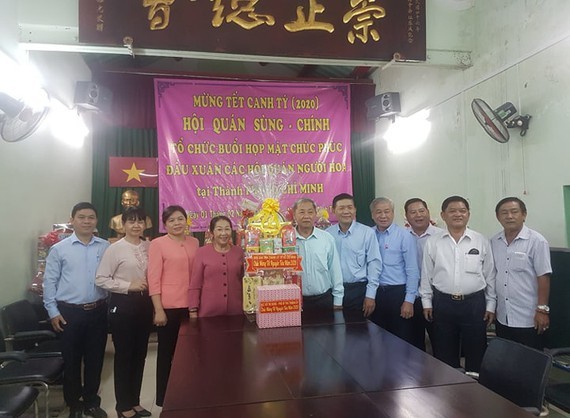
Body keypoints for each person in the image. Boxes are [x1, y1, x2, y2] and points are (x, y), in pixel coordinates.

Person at [43, 202, 110, 418]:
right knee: (71, 361)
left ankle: (91, 402)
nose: (87, 221)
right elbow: (49, 282)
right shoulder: (59, 249)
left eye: (91, 217)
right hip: (68, 312)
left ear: (96, 221)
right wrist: (53, 312)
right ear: (72, 220)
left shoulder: (104, 246)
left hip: (98, 311)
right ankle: (74, 404)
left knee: (95, 359)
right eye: (82, 217)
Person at [420, 195, 496, 372]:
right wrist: (426, 302)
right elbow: (426, 274)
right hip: (443, 303)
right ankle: (449, 392)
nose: (458, 214)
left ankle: (477, 390)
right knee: (444, 349)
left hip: (474, 303)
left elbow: (490, 274)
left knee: (476, 348)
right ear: (443, 215)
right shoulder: (433, 242)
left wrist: (491, 305)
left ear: (468, 214)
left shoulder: (481, 240)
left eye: (462, 211)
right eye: (452, 211)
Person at [95, 207, 153, 418]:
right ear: (124, 224)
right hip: (123, 306)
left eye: (140, 221)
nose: (136, 225)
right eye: (131, 221)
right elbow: (101, 279)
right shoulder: (115, 248)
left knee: (140, 355)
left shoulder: (149, 246)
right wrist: (128, 285)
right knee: (124, 356)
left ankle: (135, 401)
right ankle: (123, 406)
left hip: (145, 306)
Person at [148, 205, 199, 407]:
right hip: (168, 307)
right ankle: (163, 398)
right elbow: (153, 279)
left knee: (191, 353)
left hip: (192, 306)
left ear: (186, 221)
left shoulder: (195, 242)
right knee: (167, 353)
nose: (177, 223)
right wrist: (158, 309)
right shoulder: (157, 244)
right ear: (165, 224)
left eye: (180, 219)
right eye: (172, 220)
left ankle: (188, 391)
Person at [490, 197, 552, 350]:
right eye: (504, 213)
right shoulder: (494, 241)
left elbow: (543, 276)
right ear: (498, 217)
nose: (509, 216)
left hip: (529, 317)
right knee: (506, 361)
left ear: (524, 215)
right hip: (503, 316)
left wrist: (542, 310)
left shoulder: (537, 241)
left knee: (530, 364)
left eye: (514, 212)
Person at [369, 197, 419, 344]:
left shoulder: (404, 236)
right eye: (378, 212)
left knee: (400, 340)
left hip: (398, 294)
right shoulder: (368, 234)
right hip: (375, 294)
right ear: (372, 214)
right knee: (376, 340)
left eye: (387, 211)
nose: (383, 216)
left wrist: (409, 300)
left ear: (393, 213)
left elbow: (412, 270)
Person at [326, 193, 382, 318]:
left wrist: (370, 295)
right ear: (333, 210)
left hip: (359, 291)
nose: (346, 211)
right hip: (333, 291)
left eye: (350, 207)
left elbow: (374, 264)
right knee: (336, 332)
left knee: (360, 333)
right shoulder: (327, 235)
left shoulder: (367, 233)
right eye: (341, 208)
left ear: (355, 209)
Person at [404, 198, 444, 351]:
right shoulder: (402, 236)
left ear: (428, 212)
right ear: (406, 216)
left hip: (436, 297)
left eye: (421, 211)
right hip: (411, 297)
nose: (418, 215)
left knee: (440, 342)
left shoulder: (441, 236)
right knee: (414, 343)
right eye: (413, 212)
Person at [293, 198, 344, 310]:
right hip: (294, 301)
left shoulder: (326, 238)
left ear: (315, 214)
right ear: (294, 215)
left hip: (323, 299)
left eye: (310, 212)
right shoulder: (286, 239)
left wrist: (338, 300)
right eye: (302, 212)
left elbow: (335, 270)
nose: (306, 216)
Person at [189, 216, 245, 317]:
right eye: (219, 229)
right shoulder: (202, 252)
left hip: (235, 311)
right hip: (208, 312)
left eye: (227, 229)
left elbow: (243, 280)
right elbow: (195, 283)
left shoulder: (239, 252)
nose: (223, 233)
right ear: (212, 233)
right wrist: (193, 310)